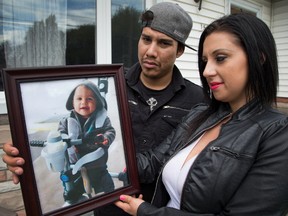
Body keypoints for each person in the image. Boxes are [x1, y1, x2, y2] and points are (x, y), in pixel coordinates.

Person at [2, 2, 208, 216]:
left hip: (159, 210)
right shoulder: (111, 87)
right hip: (108, 207)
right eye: (146, 39)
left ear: (180, 50)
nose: (151, 51)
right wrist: (21, 157)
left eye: (164, 43)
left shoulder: (197, 101)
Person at [115, 13, 288, 215]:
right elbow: (153, 162)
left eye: (220, 58)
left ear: (258, 58)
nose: (206, 71)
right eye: (205, 61)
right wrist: (98, 159)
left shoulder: (277, 133)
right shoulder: (201, 114)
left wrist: (146, 211)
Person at [56, 80, 116, 205]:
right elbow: (60, 133)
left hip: (96, 163)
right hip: (74, 165)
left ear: (98, 103)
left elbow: (110, 131)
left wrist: (105, 138)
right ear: (72, 102)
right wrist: (64, 139)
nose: (83, 102)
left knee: (107, 187)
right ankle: (74, 200)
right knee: (71, 189)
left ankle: (109, 201)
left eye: (89, 99)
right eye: (79, 98)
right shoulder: (66, 121)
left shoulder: (102, 120)